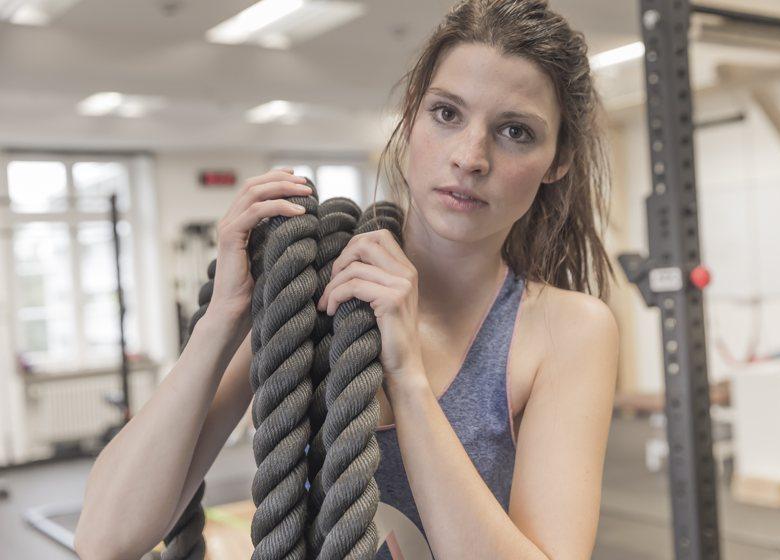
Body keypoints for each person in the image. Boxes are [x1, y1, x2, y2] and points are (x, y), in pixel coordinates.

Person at [74, 1, 619, 559]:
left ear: (558, 160)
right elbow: (103, 539)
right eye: (446, 113)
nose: (470, 157)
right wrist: (225, 318)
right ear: (411, 116)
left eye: (515, 131)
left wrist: (407, 380)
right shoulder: (312, 289)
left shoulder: (567, 331)